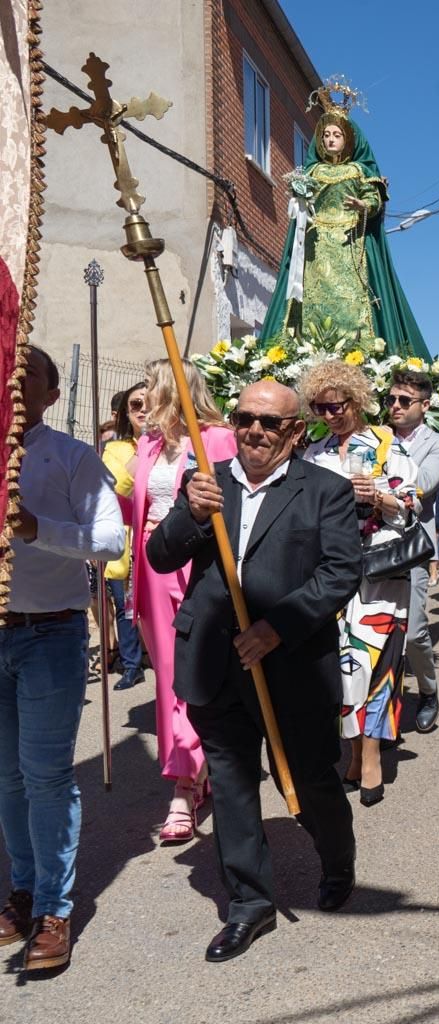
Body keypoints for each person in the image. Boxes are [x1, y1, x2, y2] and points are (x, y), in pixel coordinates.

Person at [147, 379, 362, 962]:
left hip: (291, 664)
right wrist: (191, 513)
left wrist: (277, 627)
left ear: (295, 431)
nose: (255, 432)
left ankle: (337, 860)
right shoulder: (208, 481)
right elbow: (161, 556)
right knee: (236, 787)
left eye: (270, 423)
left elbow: (341, 573)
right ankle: (249, 903)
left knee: (312, 779)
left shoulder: (326, 490)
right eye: (246, 419)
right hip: (216, 661)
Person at [0, 346, 123, 972]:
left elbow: (109, 541)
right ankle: (21, 893)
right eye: (8, 379)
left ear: (50, 396)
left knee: (45, 778)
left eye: (31, 383)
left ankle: (54, 909)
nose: (16, 392)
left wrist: (33, 527)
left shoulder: (75, 458)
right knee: (6, 778)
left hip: (49, 634)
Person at [126, 358, 239, 843]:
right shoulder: (148, 443)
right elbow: (138, 509)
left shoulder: (215, 439)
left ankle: (181, 787)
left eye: (151, 385)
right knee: (168, 677)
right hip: (152, 565)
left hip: (196, 565)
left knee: (191, 674)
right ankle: (194, 772)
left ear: (172, 388)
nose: (144, 395)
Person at [301, 361, 419, 806]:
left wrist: (379, 497)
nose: (329, 415)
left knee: (378, 664)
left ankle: (371, 758)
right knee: (344, 665)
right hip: (331, 573)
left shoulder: (387, 445)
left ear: (356, 401)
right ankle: (353, 753)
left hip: (381, 573)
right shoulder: (316, 453)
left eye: (336, 406)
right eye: (320, 407)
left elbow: (412, 507)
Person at [259, 79, 431, 359]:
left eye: (336, 134)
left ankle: (358, 349)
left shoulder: (358, 171)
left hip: (350, 244)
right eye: (325, 134)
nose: (330, 139)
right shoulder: (312, 172)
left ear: (347, 138)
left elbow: (374, 198)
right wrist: (299, 194)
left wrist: (365, 204)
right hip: (316, 246)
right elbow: (303, 202)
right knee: (312, 298)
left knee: (351, 301)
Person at [388, 369, 439, 734]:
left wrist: (376, 474)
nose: (395, 406)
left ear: (424, 406)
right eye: (392, 399)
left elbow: (421, 486)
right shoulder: (374, 436)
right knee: (379, 632)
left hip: (412, 547)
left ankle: (428, 690)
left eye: (404, 401)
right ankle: (385, 709)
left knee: (412, 632)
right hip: (372, 545)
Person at [100, 381, 149, 690]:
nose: (144, 410)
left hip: (164, 539)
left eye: (151, 403)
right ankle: (132, 664)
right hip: (127, 539)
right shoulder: (115, 449)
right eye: (136, 405)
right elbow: (120, 486)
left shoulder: (180, 444)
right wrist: (148, 449)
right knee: (125, 606)